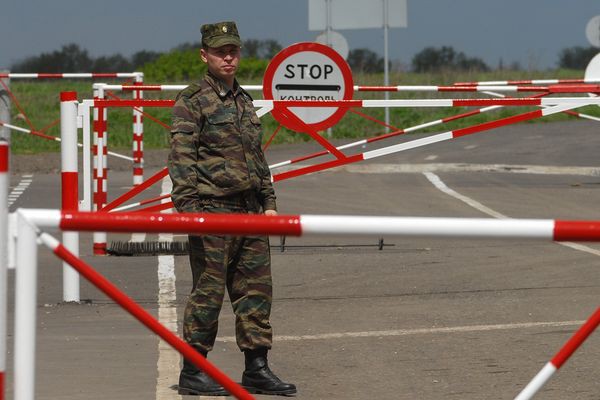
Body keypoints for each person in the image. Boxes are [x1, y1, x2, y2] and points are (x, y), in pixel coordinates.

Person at [168, 21, 296, 396]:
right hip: (212, 209)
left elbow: (256, 157)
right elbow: (181, 160)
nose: (228, 56)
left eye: (233, 50)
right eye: (220, 50)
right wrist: (190, 209)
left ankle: (257, 366)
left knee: (255, 292)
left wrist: (269, 203)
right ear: (204, 55)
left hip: (251, 210)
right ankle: (194, 369)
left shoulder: (243, 100)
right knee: (208, 293)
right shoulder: (191, 101)